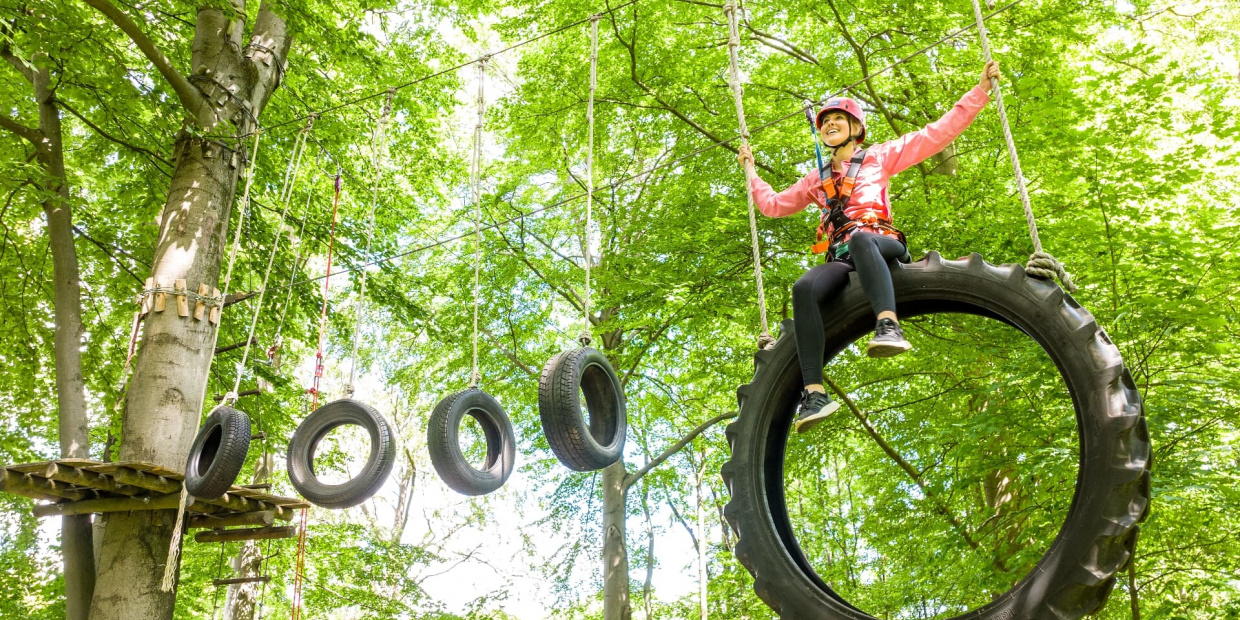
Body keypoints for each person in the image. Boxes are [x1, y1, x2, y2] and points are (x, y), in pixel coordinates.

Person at [737, 60, 1002, 433]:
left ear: (856, 129)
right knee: (804, 288)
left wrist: (980, 91)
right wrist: (751, 172)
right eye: (825, 123)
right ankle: (814, 393)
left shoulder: (880, 156)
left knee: (862, 238)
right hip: (844, 257)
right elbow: (774, 205)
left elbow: (937, 134)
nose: (830, 125)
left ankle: (888, 325)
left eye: (838, 121)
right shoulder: (818, 178)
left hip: (882, 245)